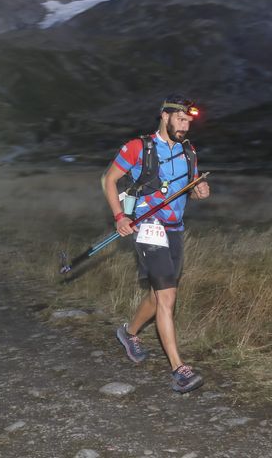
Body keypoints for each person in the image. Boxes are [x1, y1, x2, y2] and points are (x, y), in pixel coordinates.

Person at [103, 94, 210, 393]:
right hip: (148, 227)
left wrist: (200, 189)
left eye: (188, 121)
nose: (185, 126)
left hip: (175, 229)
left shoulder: (189, 151)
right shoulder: (139, 147)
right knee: (167, 298)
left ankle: (128, 332)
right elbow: (109, 179)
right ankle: (179, 369)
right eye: (180, 119)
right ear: (165, 116)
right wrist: (119, 216)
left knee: (158, 294)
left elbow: (189, 187)